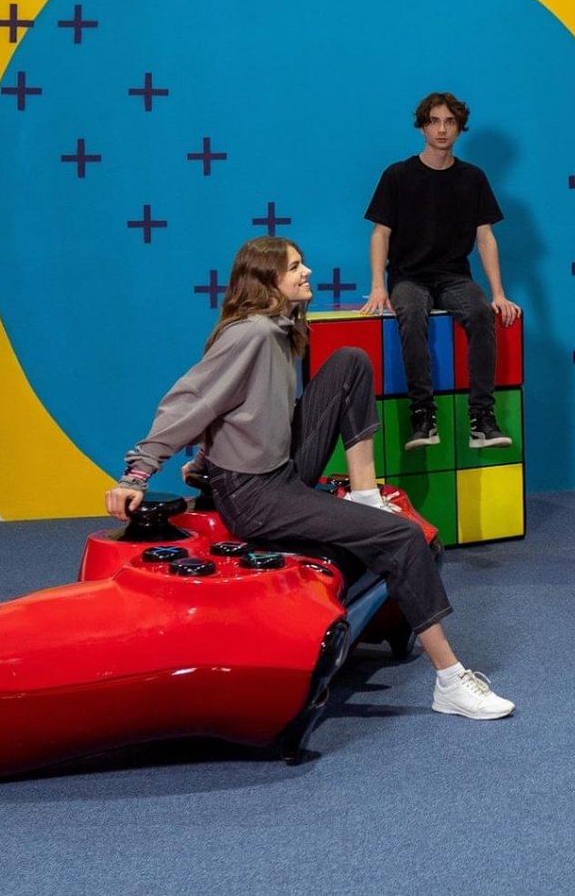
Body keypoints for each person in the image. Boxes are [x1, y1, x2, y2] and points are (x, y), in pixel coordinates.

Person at [107, 237, 514, 719]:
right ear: (268, 281)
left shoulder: (282, 329)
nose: (308, 272)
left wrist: (209, 457)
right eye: (295, 267)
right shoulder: (252, 335)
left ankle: (365, 495)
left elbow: (247, 409)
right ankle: (449, 680)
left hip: (279, 468)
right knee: (401, 536)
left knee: (349, 362)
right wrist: (138, 472)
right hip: (256, 495)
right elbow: (192, 401)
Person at [361, 93, 520, 451]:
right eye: (434, 121)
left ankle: (482, 419)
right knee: (410, 312)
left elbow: (485, 237)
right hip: (408, 275)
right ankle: (422, 416)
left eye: (450, 122)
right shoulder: (398, 175)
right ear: (422, 127)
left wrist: (498, 293)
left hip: (454, 276)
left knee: (481, 313)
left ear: (460, 128)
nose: (442, 129)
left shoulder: (473, 178)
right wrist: (377, 286)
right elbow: (380, 234)